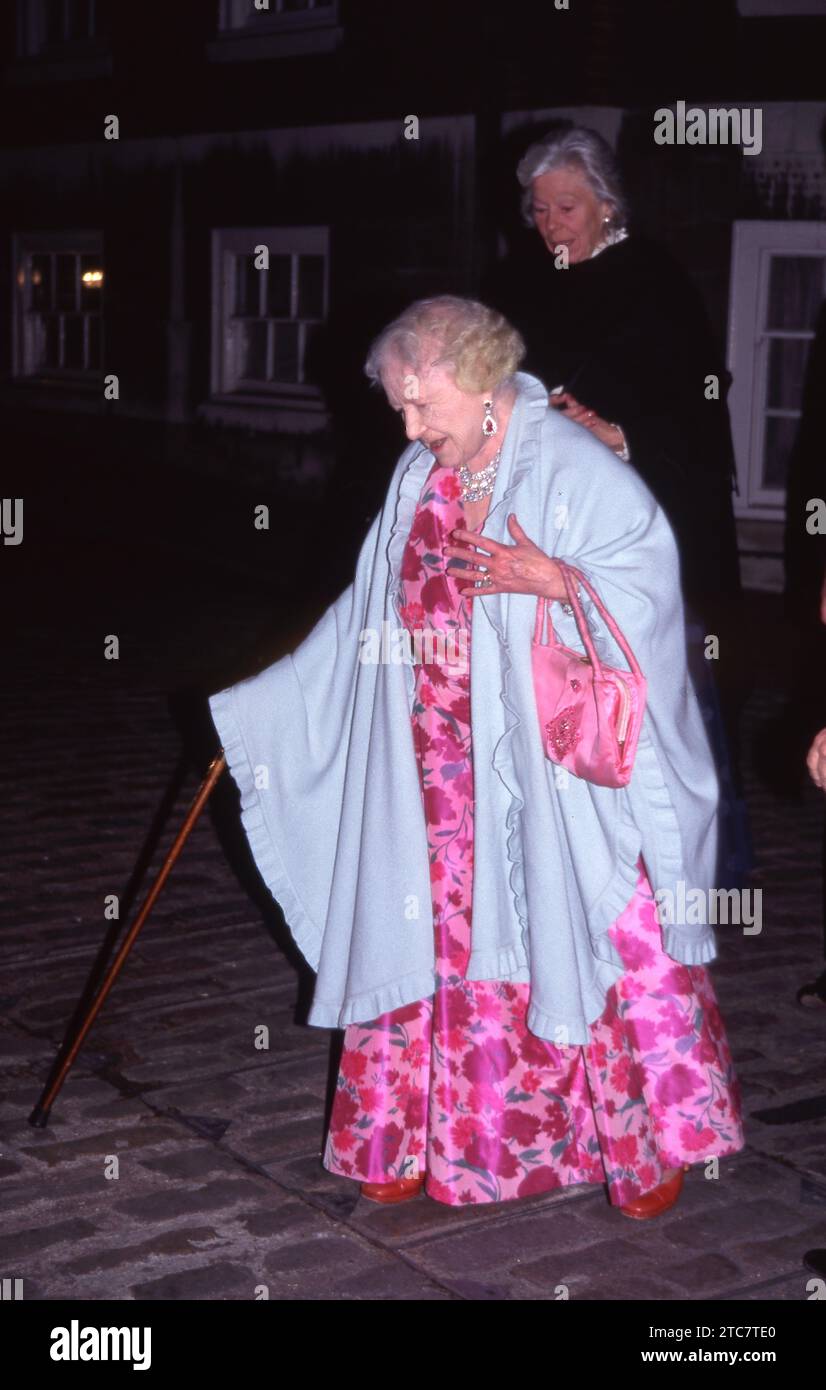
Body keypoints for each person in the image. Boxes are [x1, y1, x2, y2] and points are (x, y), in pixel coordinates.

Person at [208, 295, 744, 1216]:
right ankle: (411, 1131)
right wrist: (265, 709)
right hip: (434, 775)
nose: (412, 430)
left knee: (585, 929)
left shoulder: (572, 469)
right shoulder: (417, 477)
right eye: (401, 412)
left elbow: (651, 590)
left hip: (552, 769)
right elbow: (368, 607)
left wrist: (560, 580)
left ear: (481, 382)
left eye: (423, 407)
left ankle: (644, 1143)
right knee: (421, 929)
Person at [484, 123, 752, 890]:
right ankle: (560, 859)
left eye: (566, 207)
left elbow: (702, 402)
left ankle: (680, 868)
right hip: (546, 515)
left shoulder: (655, 279)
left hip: (647, 511)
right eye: (538, 210)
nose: (550, 225)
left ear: (607, 204)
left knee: (655, 677)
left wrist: (620, 432)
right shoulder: (519, 283)